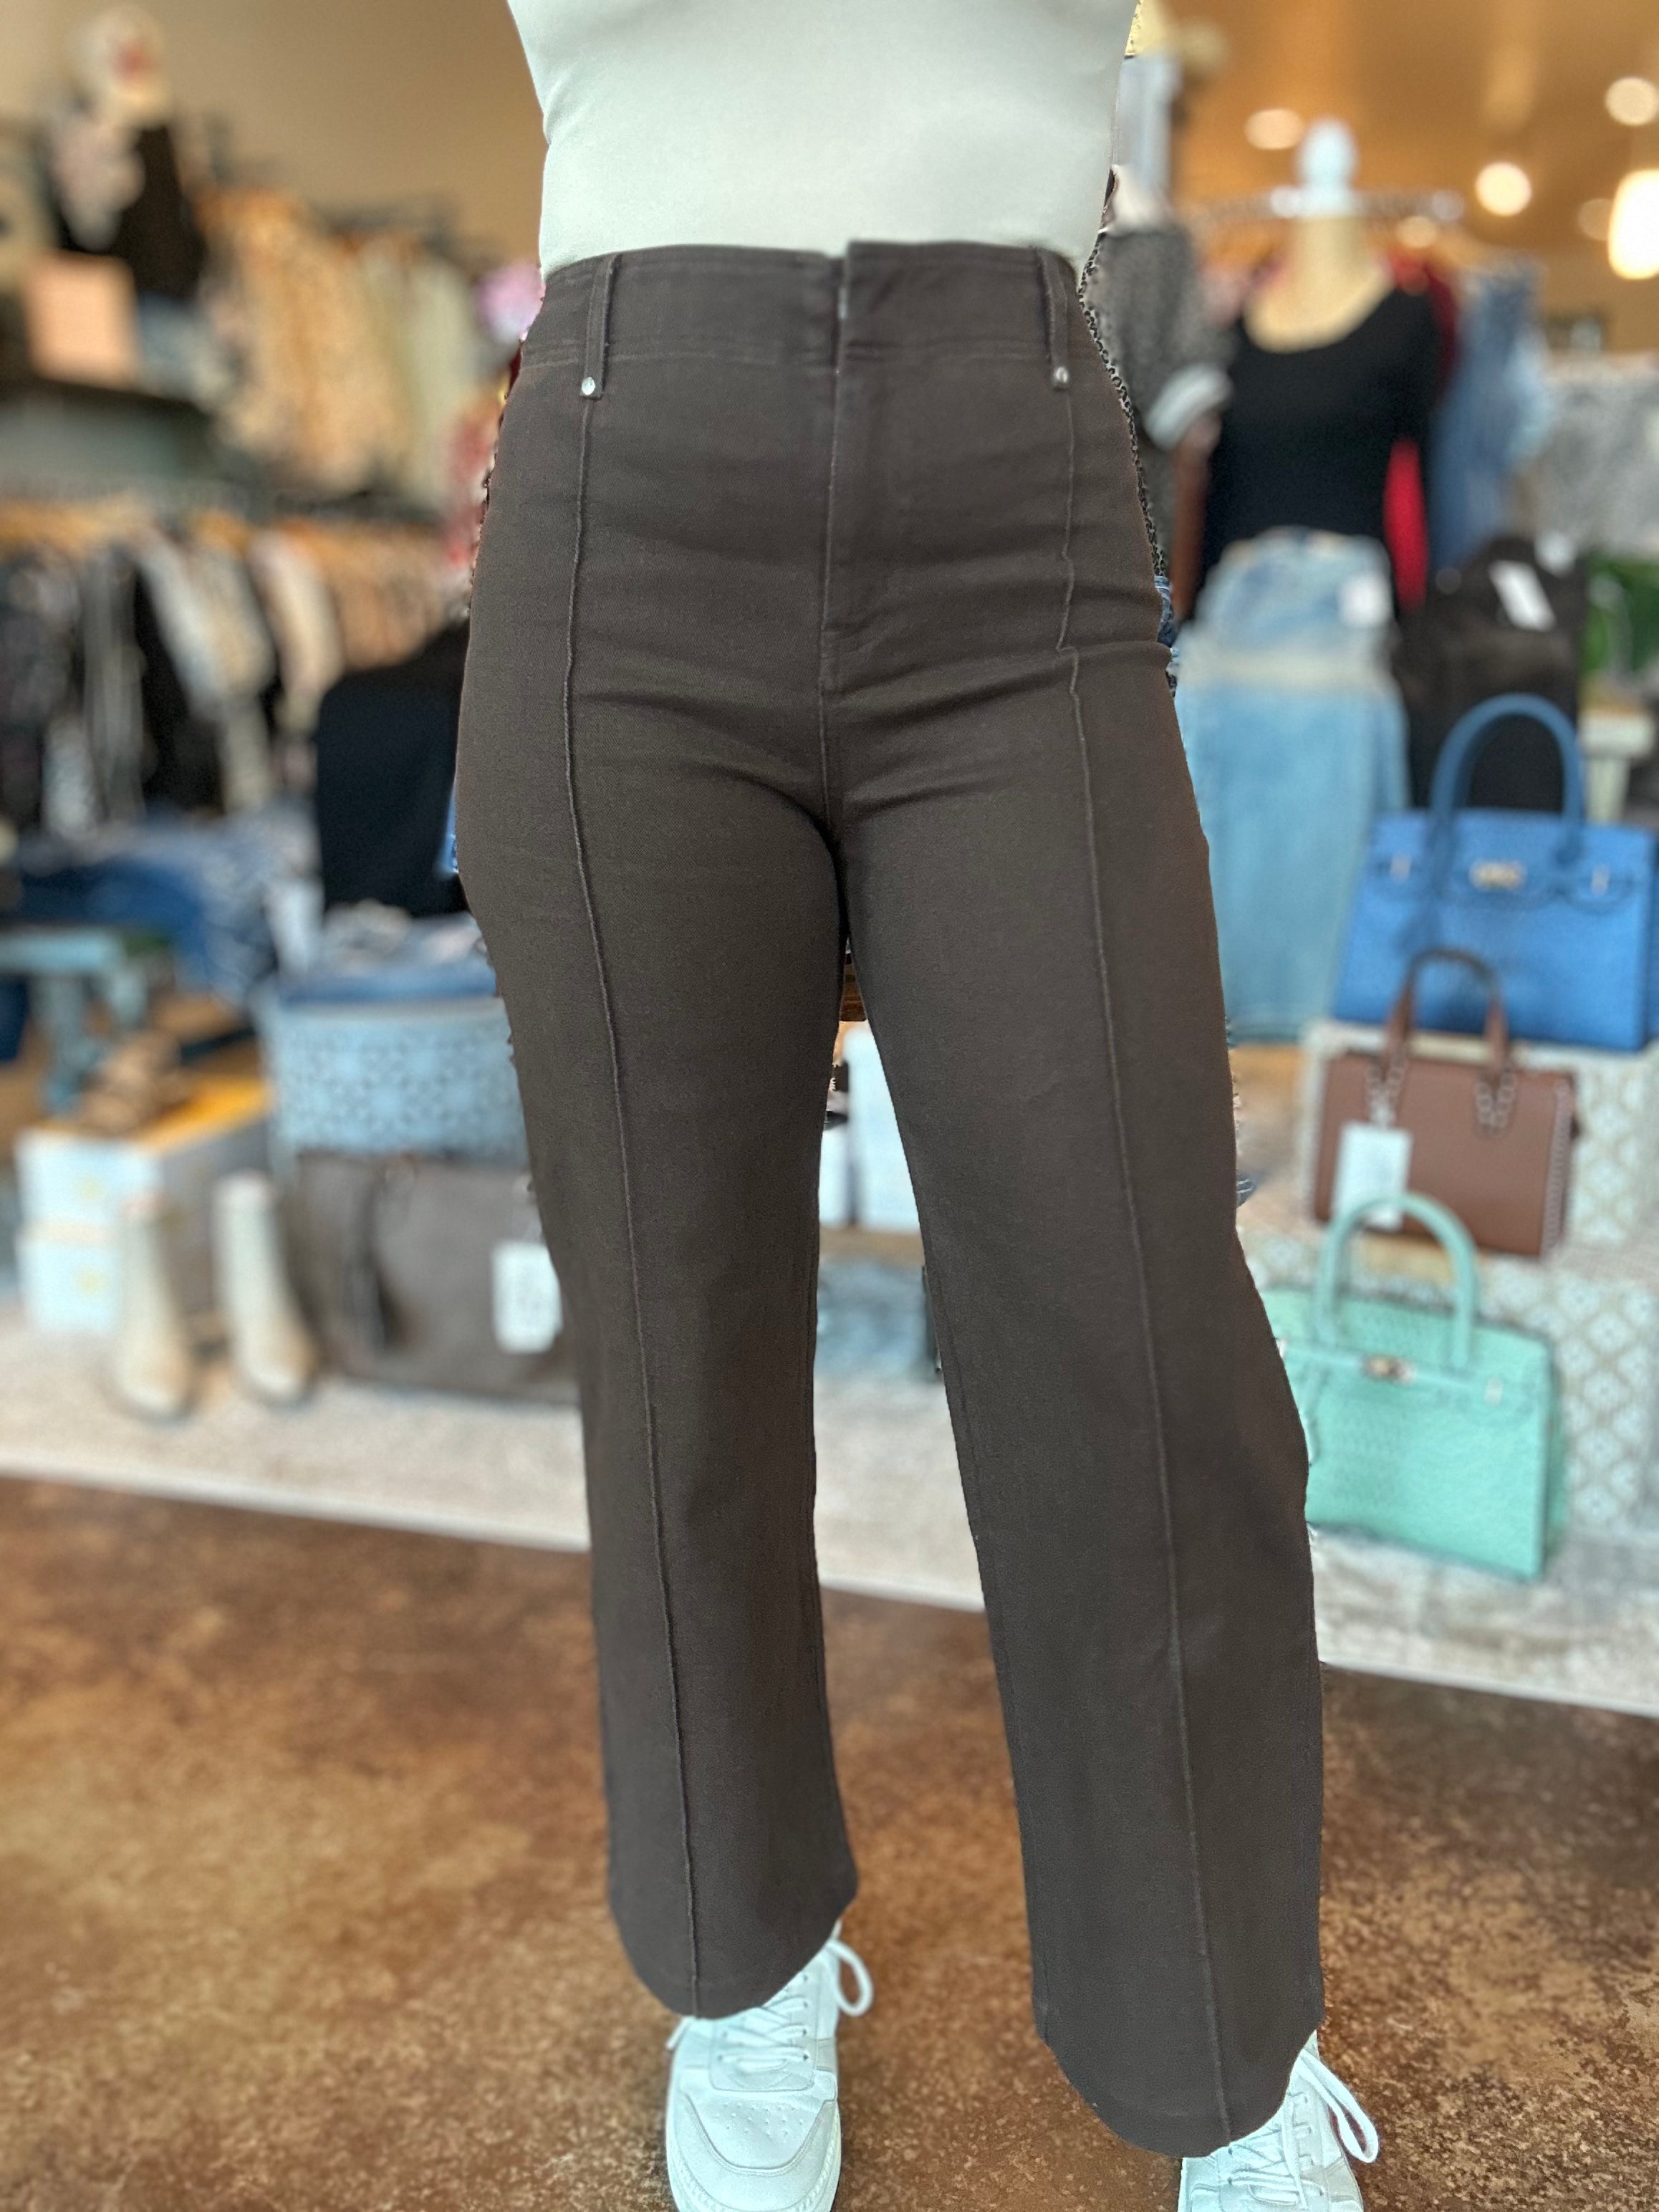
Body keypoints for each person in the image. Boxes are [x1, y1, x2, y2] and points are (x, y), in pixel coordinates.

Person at [455, 5, 1382, 2207]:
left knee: (1135, 1344)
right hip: (621, 504)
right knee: (674, 1339)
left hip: (1011, 524)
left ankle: (1219, 2050)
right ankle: (744, 1967)